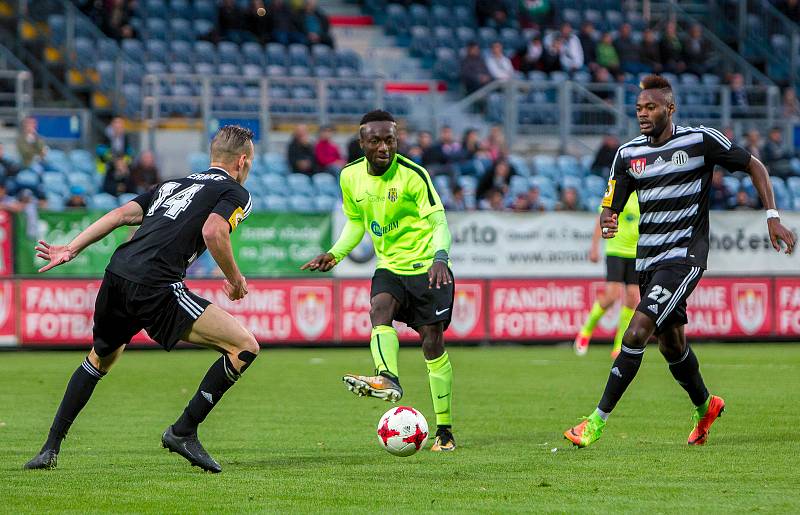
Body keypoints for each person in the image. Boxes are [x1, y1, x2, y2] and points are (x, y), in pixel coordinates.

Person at [564, 75, 795, 449]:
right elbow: (611, 205)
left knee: (636, 331)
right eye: (638, 108)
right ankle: (706, 405)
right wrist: (608, 219)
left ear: (670, 109)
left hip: (685, 257)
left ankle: (595, 422)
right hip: (649, 261)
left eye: (650, 107)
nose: (642, 114)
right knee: (671, 345)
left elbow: (755, 165)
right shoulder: (627, 155)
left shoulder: (701, 141)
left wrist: (771, 215)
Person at [24, 126, 259, 473]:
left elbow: (120, 216)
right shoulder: (235, 192)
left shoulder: (171, 184)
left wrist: (70, 248)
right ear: (242, 161)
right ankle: (183, 431)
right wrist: (235, 280)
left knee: (100, 359)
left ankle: (49, 449)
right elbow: (213, 231)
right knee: (244, 346)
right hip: (157, 284)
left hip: (118, 274)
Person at [301, 110, 457, 452]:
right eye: (376, 140)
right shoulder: (349, 177)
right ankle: (388, 377)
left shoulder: (414, 174)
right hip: (390, 268)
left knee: (433, 344)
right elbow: (356, 223)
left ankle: (444, 430)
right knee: (379, 307)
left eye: (390, 139)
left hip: (427, 269)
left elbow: (439, 221)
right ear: (362, 143)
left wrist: (440, 257)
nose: (384, 147)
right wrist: (336, 253)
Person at [574, 193, 640, 358]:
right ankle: (586, 331)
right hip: (615, 250)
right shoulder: (619, 190)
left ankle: (619, 345)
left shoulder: (644, 193)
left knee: (632, 298)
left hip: (636, 253)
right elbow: (601, 220)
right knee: (612, 295)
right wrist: (594, 247)